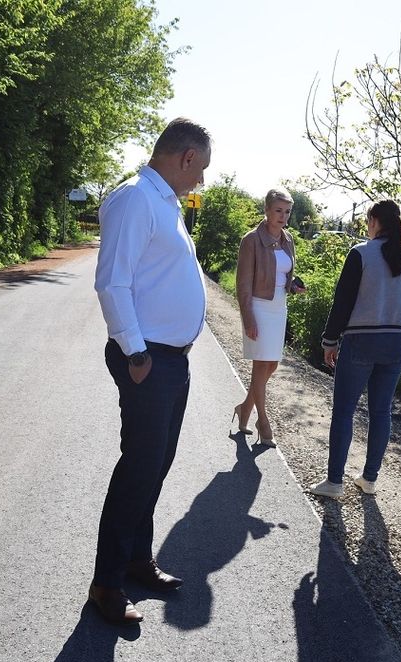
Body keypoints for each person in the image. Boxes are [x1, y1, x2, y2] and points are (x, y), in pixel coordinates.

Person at [91, 117, 212, 625]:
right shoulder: (135, 198)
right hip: (148, 360)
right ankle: (106, 583)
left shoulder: (165, 203)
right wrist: (137, 353)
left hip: (169, 360)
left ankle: (139, 560)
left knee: (156, 465)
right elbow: (111, 282)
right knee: (139, 468)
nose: (202, 180)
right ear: (185, 157)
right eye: (201, 168)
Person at [308, 199, 401, 499]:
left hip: (361, 342)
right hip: (397, 343)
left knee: (344, 411)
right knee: (381, 412)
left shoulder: (360, 254)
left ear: (373, 221)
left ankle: (334, 482)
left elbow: (342, 303)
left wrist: (329, 340)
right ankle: (369, 478)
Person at [232, 187, 304, 446]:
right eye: (278, 210)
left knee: (270, 366)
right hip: (259, 308)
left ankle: (244, 409)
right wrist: (248, 318)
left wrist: (293, 285)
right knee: (260, 365)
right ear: (266, 210)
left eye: (287, 212)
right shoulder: (251, 239)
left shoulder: (288, 239)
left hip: (279, 307)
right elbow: (242, 284)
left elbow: (282, 274)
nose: (283, 216)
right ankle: (263, 422)